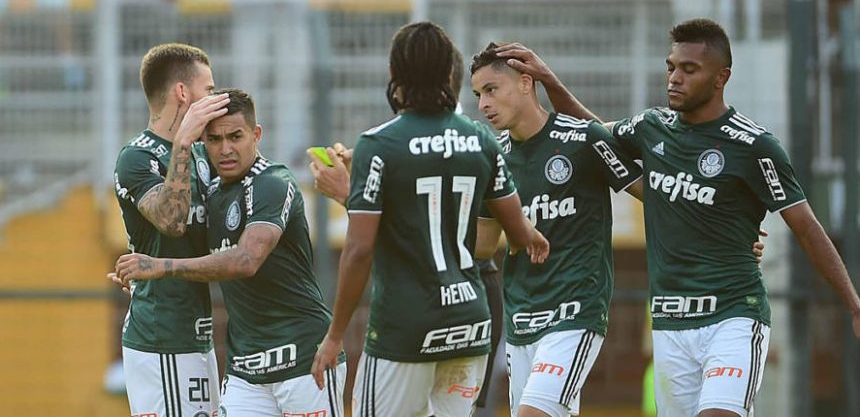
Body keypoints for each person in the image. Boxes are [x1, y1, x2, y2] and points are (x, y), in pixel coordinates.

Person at [496, 18, 860, 417]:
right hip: (670, 324)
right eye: (671, 67)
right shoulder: (652, 127)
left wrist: (854, 304)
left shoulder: (754, 146)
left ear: (721, 78)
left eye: (689, 69)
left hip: (733, 315)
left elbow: (806, 227)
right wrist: (550, 81)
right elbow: (591, 134)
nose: (674, 78)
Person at [310, 21, 549, 416]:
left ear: (395, 73)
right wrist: (533, 237)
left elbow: (359, 250)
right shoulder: (480, 139)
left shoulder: (378, 144)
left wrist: (335, 336)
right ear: (450, 73)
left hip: (405, 329)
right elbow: (519, 230)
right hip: (470, 324)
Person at [113, 88, 346, 417]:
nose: (225, 149)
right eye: (214, 139)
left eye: (235, 137)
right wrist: (139, 272)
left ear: (256, 134)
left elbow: (246, 260)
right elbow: (188, 242)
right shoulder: (212, 193)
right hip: (245, 371)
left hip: (303, 360)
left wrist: (160, 266)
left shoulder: (273, 181)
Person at [470, 42, 644, 417]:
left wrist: (732, 232)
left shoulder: (584, 139)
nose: (483, 104)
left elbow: (655, 195)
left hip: (574, 312)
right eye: (478, 94)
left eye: (491, 90)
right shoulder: (493, 158)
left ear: (526, 83)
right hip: (521, 320)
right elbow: (481, 247)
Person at [113, 43, 227, 417]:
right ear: (182, 92)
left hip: (196, 335)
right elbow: (173, 221)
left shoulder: (202, 154)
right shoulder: (138, 156)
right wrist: (182, 142)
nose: (215, 98)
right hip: (161, 336)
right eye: (209, 90)